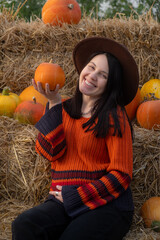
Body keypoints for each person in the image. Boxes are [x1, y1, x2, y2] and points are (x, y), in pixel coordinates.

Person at [12, 37, 139, 240]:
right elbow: (49, 151)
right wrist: (53, 102)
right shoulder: (62, 109)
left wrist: (77, 195)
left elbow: (121, 175)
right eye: (91, 67)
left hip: (106, 204)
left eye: (103, 75)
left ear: (110, 84)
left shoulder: (115, 116)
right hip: (63, 202)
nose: (92, 76)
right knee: (24, 224)